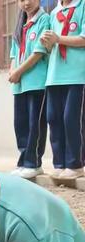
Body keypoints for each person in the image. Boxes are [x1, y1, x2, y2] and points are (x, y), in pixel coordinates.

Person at [40, 0, 85, 180]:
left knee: (71, 118)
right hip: (54, 75)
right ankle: (59, 163)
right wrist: (47, 43)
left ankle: (75, 163)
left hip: (77, 73)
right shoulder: (53, 13)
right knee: (53, 118)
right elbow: (51, 48)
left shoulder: (82, 6)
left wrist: (58, 39)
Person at [9, 0, 50, 179]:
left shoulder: (44, 20)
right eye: (21, 0)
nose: (26, 3)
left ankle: (34, 163)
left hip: (36, 82)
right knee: (21, 124)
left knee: (36, 124)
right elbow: (13, 54)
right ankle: (24, 161)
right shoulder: (20, 24)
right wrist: (12, 71)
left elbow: (38, 53)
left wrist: (18, 71)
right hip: (19, 85)